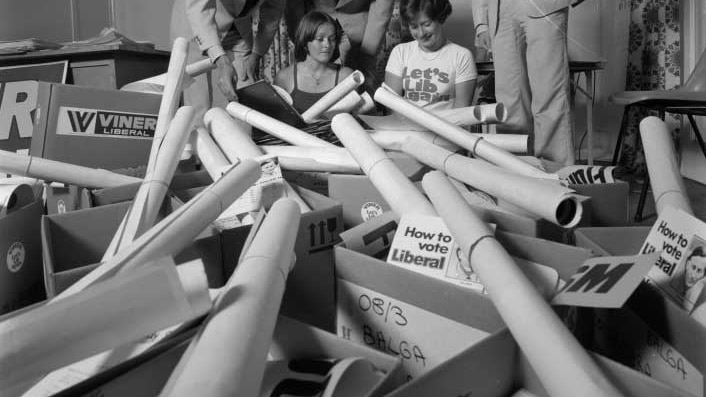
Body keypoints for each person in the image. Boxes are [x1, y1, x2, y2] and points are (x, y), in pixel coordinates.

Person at [472, 0, 575, 165]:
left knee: (549, 93)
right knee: (509, 101)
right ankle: (515, 170)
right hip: (499, 11)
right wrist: (481, 24)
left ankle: (556, 171)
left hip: (545, 7)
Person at [170, 0, 286, 126]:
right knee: (199, 108)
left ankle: (240, 143)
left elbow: (273, 10)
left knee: (244, 102)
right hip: (197, 26)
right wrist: (222, 62)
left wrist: (256, 54)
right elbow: (198, 11)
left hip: (238, 28)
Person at [384, 0, 477, 111]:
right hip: (406, 126)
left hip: (445, 126)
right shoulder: (400, 52)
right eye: (414, 27)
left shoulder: (462, 56)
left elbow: (461, 113)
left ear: (440, 18)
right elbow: (392, 107)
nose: (421, 33)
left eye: (426, 24)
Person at [274, 10, 354, 114]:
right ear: (304, 41)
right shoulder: (284, 77)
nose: (327, 45)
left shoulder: (347, 76)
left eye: (332, 39)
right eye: (320, 39)